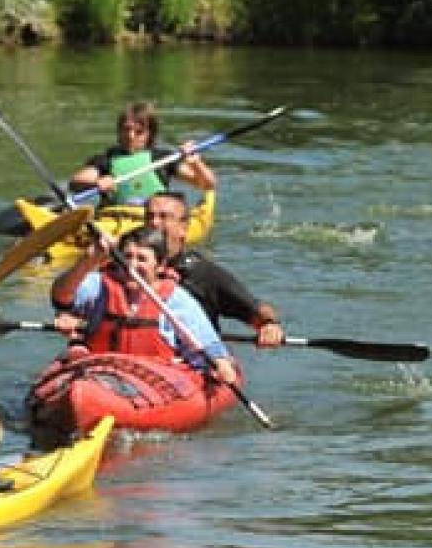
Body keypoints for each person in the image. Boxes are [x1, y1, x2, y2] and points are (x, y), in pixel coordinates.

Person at [48, 226, 239, 384]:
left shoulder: (176, 300)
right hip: (99, 372)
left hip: (151, 380)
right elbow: (61, 296)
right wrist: (88, 260)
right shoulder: (98, 285)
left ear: (161, 266)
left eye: (142, 259)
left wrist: (220, 363)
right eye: (127, 257)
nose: (132, 266)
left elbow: (207, 344)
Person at [140, 189, 286, 349]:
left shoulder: (204, 274)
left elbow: (257, 311)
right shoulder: (125, 268)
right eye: (149, 216)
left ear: (184, 227)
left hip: (186, 362)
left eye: (164, 217)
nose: (154, 223)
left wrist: (270, 326)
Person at [68, 100, 207, 207]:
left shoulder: (163, 159)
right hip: (114, 220)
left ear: (150, 135)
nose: (131, 136)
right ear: (118, 131)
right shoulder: (106, 159)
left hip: (151, 221)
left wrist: (196, 163)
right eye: (126, 129)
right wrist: (96, 183)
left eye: (139, 132)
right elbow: (75, 183)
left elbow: (207, 184)